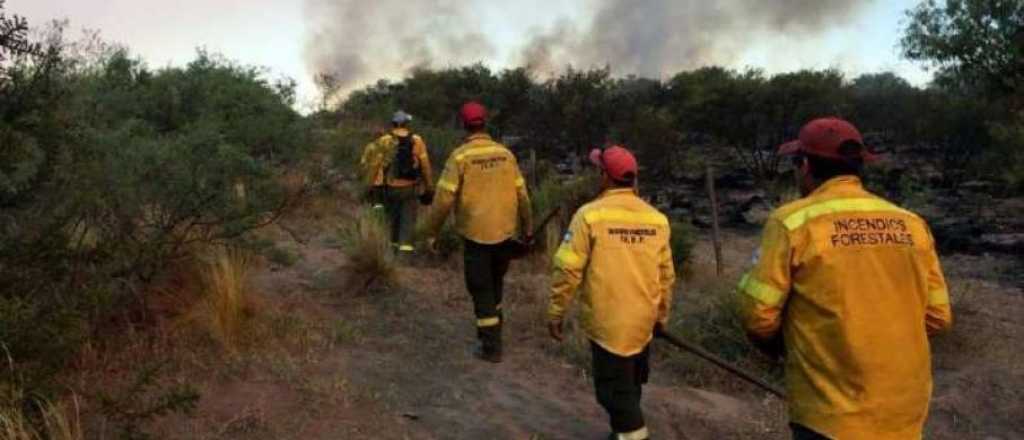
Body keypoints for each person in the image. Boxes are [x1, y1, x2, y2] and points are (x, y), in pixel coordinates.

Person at [737, 117, 953, 440]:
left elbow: (757, 316)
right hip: (904, 412)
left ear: (805, 165)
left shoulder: (792, 222)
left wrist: (787, 350)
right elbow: (939, 317)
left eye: (796, 164)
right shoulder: (910, 223)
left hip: (830, 415)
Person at [548, 145, 675, 440]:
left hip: (609, 324)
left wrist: (556, 310)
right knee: (630, 386)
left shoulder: (589, 215)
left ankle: (632, 435)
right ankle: (623, 432)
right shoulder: (657, 219)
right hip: (642, 323)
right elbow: (666, 276)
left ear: (605, 176)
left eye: (598, 171)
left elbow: (567, 269)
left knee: (612, 394)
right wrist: (661, 316)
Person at [425, 101, 532, 363]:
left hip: (475, 235)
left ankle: (491, 347)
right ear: (485, 123)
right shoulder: (506, 154)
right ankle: (493, 330)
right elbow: (523, 195)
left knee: (480, 288)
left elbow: (444, 200)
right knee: (495, 286)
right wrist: (527, 228)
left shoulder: (460, 156)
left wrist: (431, 231)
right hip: (506, 233)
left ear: (464, 125)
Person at [359, 110, 434, 259]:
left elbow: (374, 166)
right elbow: (425, 166)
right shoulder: (417, 140)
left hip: (390, 189)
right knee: (408, 224)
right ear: (407, 123)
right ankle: (404, 259)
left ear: (393, 124)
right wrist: (429, 188)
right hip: (410, 189)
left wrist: (367, 188)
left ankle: (390, 256)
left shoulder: (384, 140)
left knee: (391, 222)